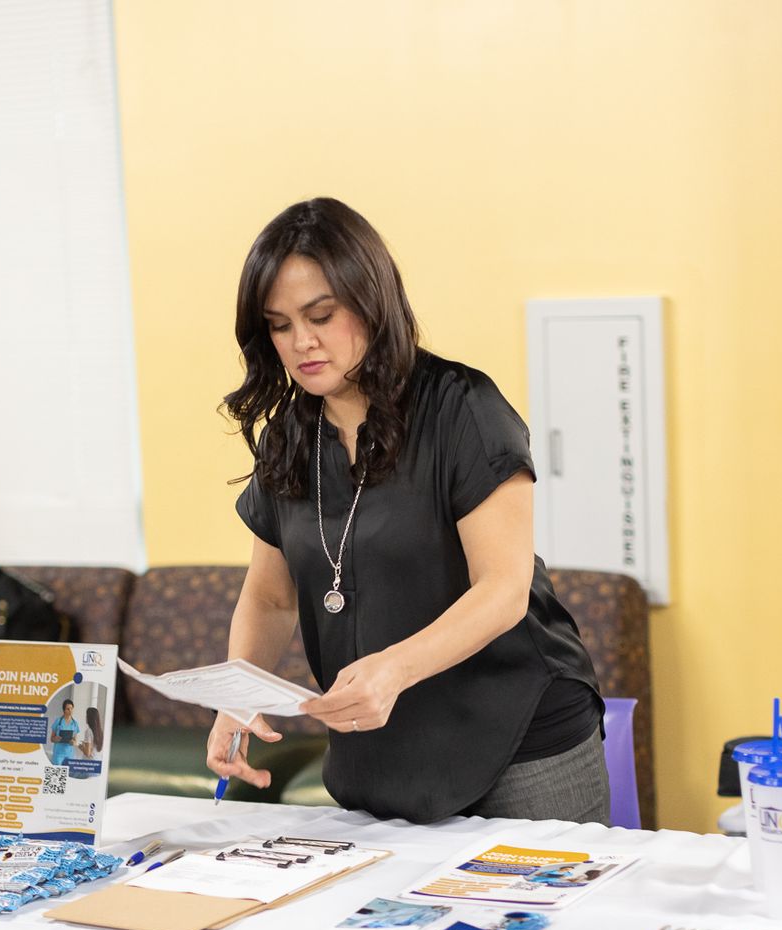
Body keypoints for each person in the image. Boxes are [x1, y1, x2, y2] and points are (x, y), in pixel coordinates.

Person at [207, 198, 608, 824]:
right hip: (386, 752)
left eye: (321, 315)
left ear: (370, 301)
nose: (302, 342)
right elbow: (271, 598)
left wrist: (391, 671)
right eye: (280, 325)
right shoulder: (291, 435)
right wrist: (236, 696)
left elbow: (504, 589)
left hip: (520, 743)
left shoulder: (463, 409)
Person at [50, 697, 81, 767]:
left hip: (69, 754)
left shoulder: (75, 724)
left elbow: (75, 741)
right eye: (68, 709)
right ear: (64, 710)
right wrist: (56, 739)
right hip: (58, 754)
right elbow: (51, 738)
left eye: (72, 708)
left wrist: (73, 742)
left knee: (68, 775)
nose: (70, 711)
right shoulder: (58, 721)